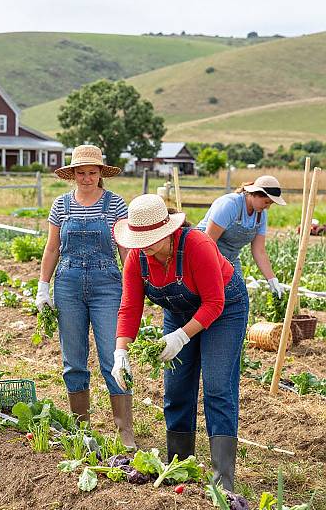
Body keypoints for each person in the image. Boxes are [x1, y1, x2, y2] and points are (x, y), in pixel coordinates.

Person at [111, 194, 249, 491]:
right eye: (139, 237)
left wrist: (182, 336)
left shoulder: (196, 245)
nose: (145, 243)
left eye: (151, 236)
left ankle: (222, 481)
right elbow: (129, 307)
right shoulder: (137, 258)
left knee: (217, 387)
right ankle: (179, 468)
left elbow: (214, 302)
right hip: (179, 313)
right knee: (176, 389)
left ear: (168, 229)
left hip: (225, 308)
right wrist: (120, 351)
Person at [35, 144, 135, 448]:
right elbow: (52, 248)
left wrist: (134, 291)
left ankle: (125, 430)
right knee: (73, 359)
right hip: (68, 284)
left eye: (92, 173)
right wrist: (42, 285)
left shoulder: (116, 205)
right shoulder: (61, 205)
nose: (87, 178)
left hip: (107, 284)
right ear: (73, 174)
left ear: (101, 174)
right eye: (81, 172)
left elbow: (125, 250)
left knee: (112, 356)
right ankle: (81, 428)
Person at [196, 175, 286, 297]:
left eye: (271, 203)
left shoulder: (261, 215)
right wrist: (218, 271)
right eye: (266, 202)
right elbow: (208, 243)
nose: (268, 207)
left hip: (230, 258)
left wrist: (271, 279)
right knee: (209, 298)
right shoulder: (230, 205)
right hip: (203, 255)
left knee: (239, 297)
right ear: (254, 193)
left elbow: (259, 250)